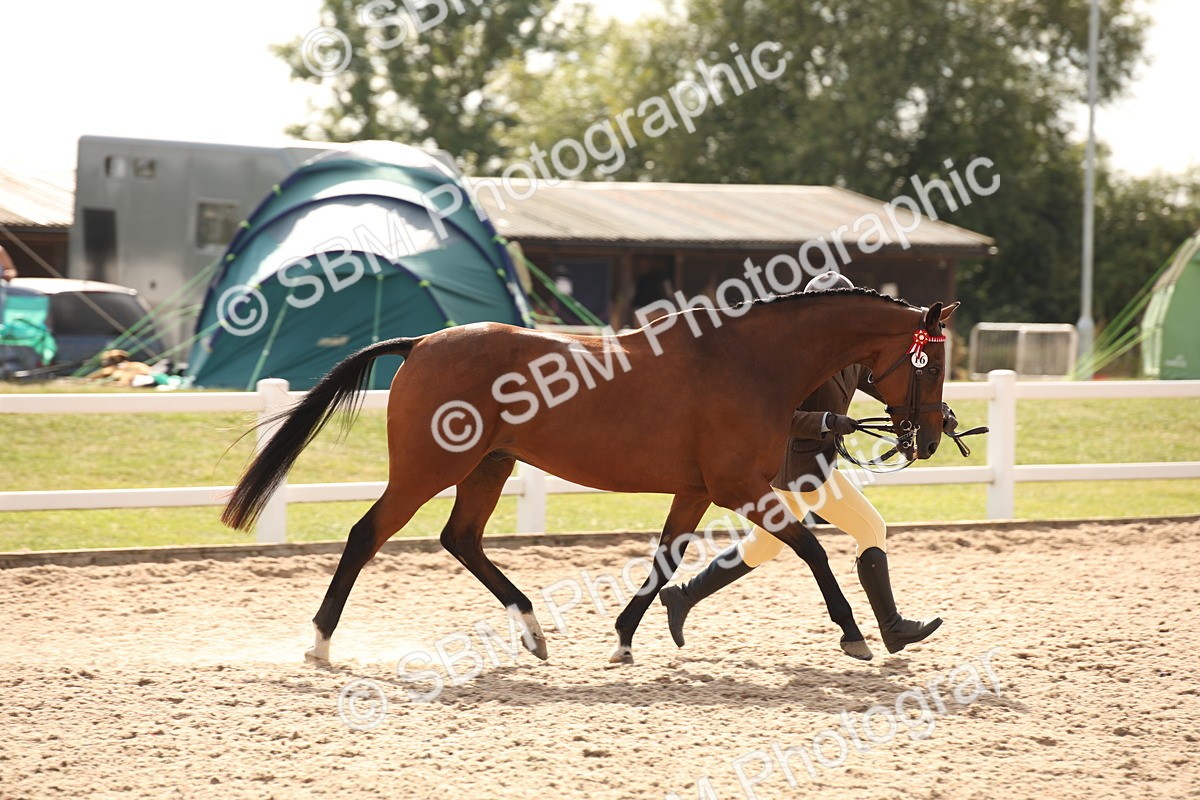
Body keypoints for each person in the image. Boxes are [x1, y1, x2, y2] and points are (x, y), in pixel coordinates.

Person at [659, 271, 957, 658]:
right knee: (871, 528)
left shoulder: (849, 352)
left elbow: (893, 382)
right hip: (799, 467)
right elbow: (775, 415)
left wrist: (939, 414)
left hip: (811, 466)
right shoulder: (796, 359)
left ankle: (683, 596)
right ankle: (893, 628)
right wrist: (827, 422)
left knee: (762, 546)